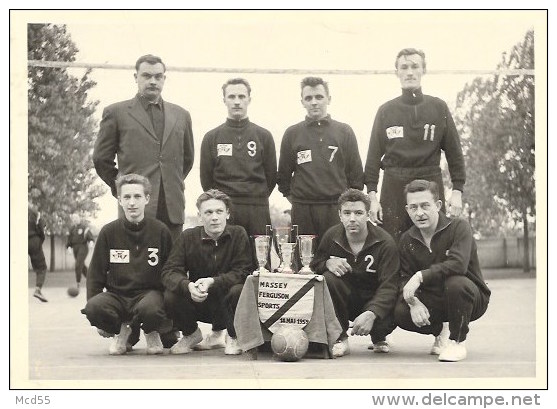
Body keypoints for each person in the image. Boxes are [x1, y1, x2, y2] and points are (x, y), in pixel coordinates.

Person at [364, 48, 466, 242]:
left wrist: (457, 191)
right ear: (397, 72)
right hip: (394, 184)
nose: (409, 72)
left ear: (423, 70)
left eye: (414, 66)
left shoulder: (438, 107)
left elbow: (455, 154)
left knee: (434, 242)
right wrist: (373, 198)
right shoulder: (386, 111)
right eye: (404, 67)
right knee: (393, 244)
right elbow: (372, 157)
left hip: (429, 179)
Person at [93, 54, 195, 242]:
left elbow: (187, 160)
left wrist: (170, 184)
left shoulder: (182, 115)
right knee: (135, 267)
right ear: (136, 78)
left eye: (158, 76)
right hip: (135, 207)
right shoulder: (116, 113)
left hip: (172, 209)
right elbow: (101, 159)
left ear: (164, 78)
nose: (153, 81)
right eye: (146, 76)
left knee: (172, 266)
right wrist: (122, 187)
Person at [394, 180, 490, 362]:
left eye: (425, 206)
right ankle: (440, 331)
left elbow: (458, 264)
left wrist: (421, 275)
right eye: (413, 207)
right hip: (434, 299)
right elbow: (403, 278)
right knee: (400, 312)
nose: (419, 213)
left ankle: (457, 341)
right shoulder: (406, 239)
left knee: (456, 282)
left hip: (469, 296)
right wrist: (413, 302)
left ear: (438, 205)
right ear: (407, 210)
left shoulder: (459, 227)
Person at [81, 174, 174, 355]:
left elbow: (170, 273)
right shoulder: (108, 232)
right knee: (93, 308)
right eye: (127, 197)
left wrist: (167, 317)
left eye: (137, 197)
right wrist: (101, 321)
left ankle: (150, 330)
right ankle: (123, 330)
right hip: (118, 296)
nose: (132, 202)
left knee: (151, 309)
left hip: (149, 296)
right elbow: (95, 275)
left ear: (147, 199)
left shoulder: (161, 231)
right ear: (119, 200)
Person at [310, 189, 399, 357]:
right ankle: (340, 338)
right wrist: (327, 262)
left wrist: (372, 313)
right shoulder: (332, 236)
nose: (352, 218)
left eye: (358, 213)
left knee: (395, 307)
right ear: (340, 215)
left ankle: (379, 336)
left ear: (367, 215)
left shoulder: (385, 242)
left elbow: (390, 285)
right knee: (329, 279)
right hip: (347, 299)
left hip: (375, 302)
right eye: (347, 213)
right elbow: (315, 264)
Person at [161, 189, 252, 355]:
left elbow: (243, 271)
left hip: (227, 303)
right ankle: (191, 334)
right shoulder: (187, 237)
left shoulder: (238, 234)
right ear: (200, 216)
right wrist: (187, 286)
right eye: (208, 212)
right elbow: (169, 271)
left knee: (240, 290)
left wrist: (213, 281)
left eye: (219, 211)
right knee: (171, 295)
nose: (214, 217)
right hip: (200, 302)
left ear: (228, 214)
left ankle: (233, 335)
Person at [277, 77, 364, 247]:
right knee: (304, 261)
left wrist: (344, 206)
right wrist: (300, 201)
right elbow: (283, 177)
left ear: (329, 99)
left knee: (336, 258)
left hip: (335, 208)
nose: (314, 102)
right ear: (302, 101)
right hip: (303, 209)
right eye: (308, 98)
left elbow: (356, 176)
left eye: (319, 97)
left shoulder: (344, 131)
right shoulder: (292, 133)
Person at [200, 78, 276, 265]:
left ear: (249, 99)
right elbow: (206, 178)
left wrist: (255, 195)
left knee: (260, 262)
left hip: (256, 207)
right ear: (224, 100)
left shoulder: (263, 135)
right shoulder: (212, 137)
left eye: (241, 96)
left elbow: (271, 176)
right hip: (227, 208)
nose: (236, 101)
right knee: (227, 262)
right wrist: (223, 203)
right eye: (231, 96)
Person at [66, 213, 94, 292]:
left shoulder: (84, 227)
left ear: (79, 218)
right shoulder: (71, 229)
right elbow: (69, 241)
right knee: (82, 267)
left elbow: (90, 237)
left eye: (76, 218)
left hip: (83, 247)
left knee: (78, 264)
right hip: (75, 248)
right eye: (73, 218)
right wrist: (68, 247)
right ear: (72, 220)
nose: (75, 219)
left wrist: (91, 242)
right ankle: (92, 279)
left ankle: (78, 283)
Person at [28, 202, 48, 302]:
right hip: (33, 240)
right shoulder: (35, 213)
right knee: (41, 267)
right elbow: (42, 228)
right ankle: (38, 290)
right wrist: (40, 240)